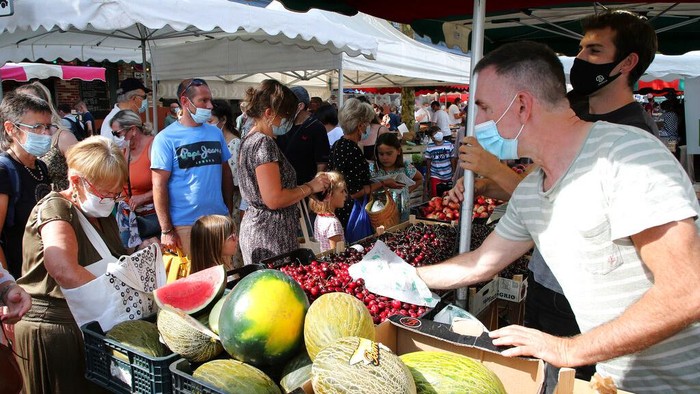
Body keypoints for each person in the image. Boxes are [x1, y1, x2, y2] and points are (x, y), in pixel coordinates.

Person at [413, 41, 700, 393]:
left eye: (484, 108)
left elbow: (687, 291)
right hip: (617, 381)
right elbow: (478, 265)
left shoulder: (625, 155)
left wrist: (567, 348)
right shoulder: (533, 189)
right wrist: (399, 276)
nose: (479, 122)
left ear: (521, 105)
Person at [15, 136, 130, 393]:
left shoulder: (101, 212)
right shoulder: (56, 208)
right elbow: (64, 270)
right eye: (105, 192)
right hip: (57, 332)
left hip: (89, 325)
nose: (111, 199)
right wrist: (116, 300)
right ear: (77, 181)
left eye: (116, 192)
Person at [238, 79, 330, 265]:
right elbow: (274, 198)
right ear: (269, 113)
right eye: (287, 116)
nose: (290, 121)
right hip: (270, 235)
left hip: (261, 228)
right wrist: (310, 187)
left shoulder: (249, 139)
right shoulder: (264, 144)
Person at [151, 78, 233, 257]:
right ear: (184, 102)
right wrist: (166, 230)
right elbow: (158, 185)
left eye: (209, 99)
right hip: (185, 226)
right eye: (203, 100)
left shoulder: (215, 133)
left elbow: (225, 173)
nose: (210, 105)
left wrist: (228, 211)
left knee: (223, 277)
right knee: (191, 280)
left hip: (218, 221)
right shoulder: (165, 139)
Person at [569, 10, 659, 137]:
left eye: (594, 51)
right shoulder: (570, 107)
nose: (579, 57)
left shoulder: (634, 134)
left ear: (627, 62)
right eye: (580, 49)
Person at [0, 93, 53, 279]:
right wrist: (8, 284)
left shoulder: (40, 167)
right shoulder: (4, 170)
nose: (46, 133)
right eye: (37, 127)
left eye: (48, 126)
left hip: (44, 274)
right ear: (11, 129)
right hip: (19, 277)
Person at [329, 98, 403, 229]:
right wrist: (382, 183)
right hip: (352, 212)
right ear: (360, 125)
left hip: (339, 207)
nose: (369, 127)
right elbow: (355, 191)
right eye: (368, 123)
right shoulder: (351, 150)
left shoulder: (338, 144)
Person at [15, 82, 79, 192]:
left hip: (61, 204)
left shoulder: (63, 137)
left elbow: (85, 172)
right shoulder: (18, 137)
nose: (25, 108)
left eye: (30, 103)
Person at [110, 110, 158, 249]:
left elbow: (167, 184)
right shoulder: (126, 150)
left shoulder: (154, 146)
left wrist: (143, 197)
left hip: (151, 219)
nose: (116, 137)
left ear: (132, 129)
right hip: (129, 217)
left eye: (117, 133)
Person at [276, 86, 330, 186]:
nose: (284, 107)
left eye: (287, 104)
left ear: (300, 106)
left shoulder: (316, 127)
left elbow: (322, 163)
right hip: (284, 185)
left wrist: (314, 186)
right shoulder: (284, 125)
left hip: (305, 188)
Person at [370, 133, 423, 222]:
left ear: (398, 151)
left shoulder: (405, 167)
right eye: (381, 154)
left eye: (389, 153)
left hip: (402, 210)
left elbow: (419, 179)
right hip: (380, 213)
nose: (385, 157)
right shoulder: (373, 169)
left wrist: (407, 190)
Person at [309, 171, 346, 252]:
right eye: (342, 191)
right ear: (329, 195)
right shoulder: (333, 223)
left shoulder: (319, 217)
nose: (345, 195)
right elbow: (337, 253)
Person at [424, 126, 456, 197]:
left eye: (439, 131)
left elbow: (452, 159)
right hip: (435, 175)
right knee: (436, 196)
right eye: (435, 133)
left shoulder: (449, 145)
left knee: (448, 196)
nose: (439, 134)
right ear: (432, 138)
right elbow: (428, 161)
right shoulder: (430, 147)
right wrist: (428, 174)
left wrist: (454, 171)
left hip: (448, 174)